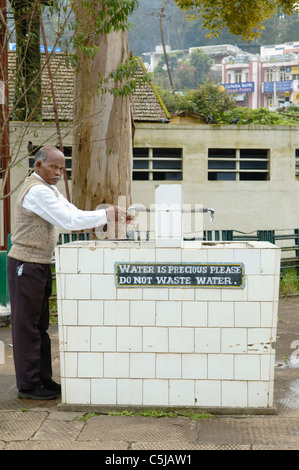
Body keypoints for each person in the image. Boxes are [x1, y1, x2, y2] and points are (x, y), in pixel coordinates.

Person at [7, 146, 133, 400]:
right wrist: (106, 214)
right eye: (53, 166)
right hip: (25, 264)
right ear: (38, 166)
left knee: (40, 326)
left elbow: (74, 213)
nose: (57, 172)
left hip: (38, 263)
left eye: (62, 168)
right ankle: (29, 385)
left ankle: (43, 379)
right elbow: (69, 222)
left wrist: (106, 215)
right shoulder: (37, 191)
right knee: (27, 327)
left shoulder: (50, 190)